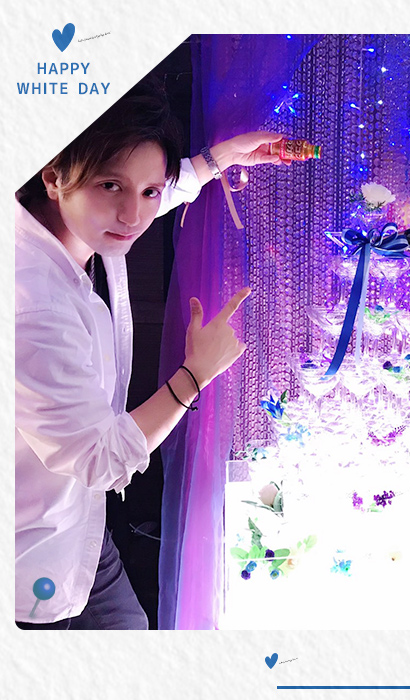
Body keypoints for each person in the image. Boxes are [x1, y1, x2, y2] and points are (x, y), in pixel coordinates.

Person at [15, 76, 285, 629]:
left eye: (149, 192)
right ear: (54, 174)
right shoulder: (35, 303)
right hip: (32, 558)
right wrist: (195, 374)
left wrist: (217, 160)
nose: (133, 216)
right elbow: (101, 460)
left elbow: (138, 191)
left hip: (80, 533)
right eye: (110, 186)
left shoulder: (61, 225)